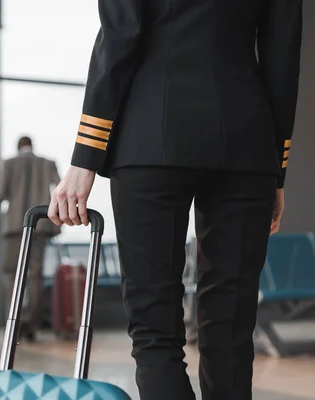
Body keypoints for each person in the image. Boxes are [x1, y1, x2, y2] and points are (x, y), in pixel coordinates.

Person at [47, 1, 302, 399]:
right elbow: (283, 58)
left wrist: (86, 156)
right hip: (246, 146)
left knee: (155, 333)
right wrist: (276, 169)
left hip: (149, 138)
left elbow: (119, 36)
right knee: (231, 330)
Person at [0, 136, 61, 342]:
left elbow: (1, 195)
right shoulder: (47, 163)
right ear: (32, 146)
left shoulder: (8, 163)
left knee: (10, 272)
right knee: (35, 275)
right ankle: (32, 325)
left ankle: (16, 321)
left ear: (18, 147)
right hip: (41, 224)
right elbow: (58, 187)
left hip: (16, 226)